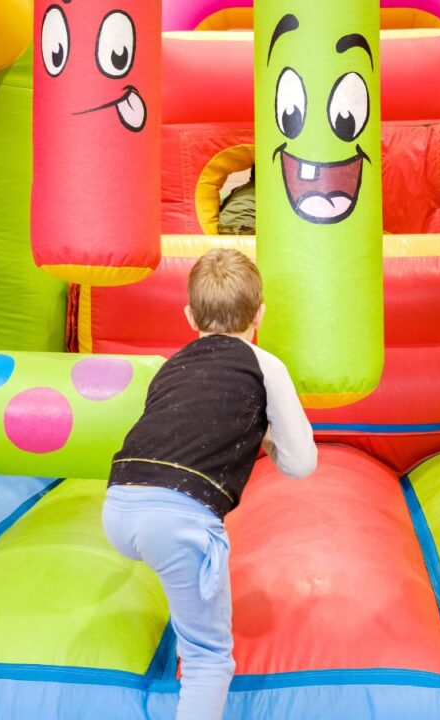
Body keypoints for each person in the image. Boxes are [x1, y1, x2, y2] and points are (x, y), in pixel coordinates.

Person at [102, 248, 317, 720]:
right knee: (208, 660)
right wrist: (269, 436)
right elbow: (301, 464)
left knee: (169, 553)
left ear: (188, 316)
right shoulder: (265, 365)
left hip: (118, 507)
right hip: (177, 521)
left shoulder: (169, 365)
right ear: (259, 313)